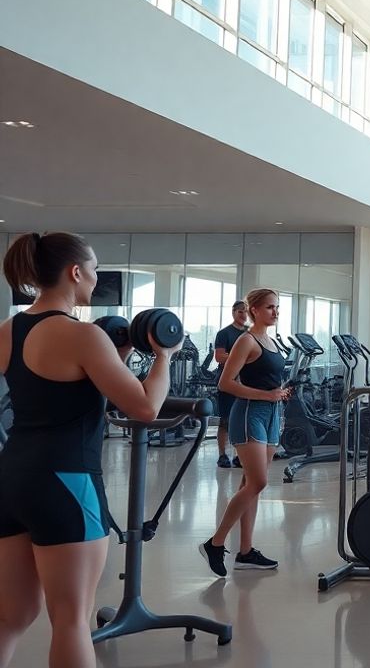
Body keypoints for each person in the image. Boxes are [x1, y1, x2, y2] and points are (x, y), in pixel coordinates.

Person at [0, 232, 179, 668]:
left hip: (12, 479)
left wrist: (115, 356)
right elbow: (145, 407)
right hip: (66, 482)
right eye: (95, 269)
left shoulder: (8, 330)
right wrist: (165, 357)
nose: (98, 278)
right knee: (72, 621)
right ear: (76, 272)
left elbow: (57, 388)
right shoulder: (81, 335)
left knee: (11, 616)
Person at [201, 288, 290, 576]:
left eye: (277, 307)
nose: (275, 312)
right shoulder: (246, 340)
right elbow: (225, 383)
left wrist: (278, 394)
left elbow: (268, 378)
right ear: (254, 310)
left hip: (271, 413)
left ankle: (246, 551)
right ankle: (215, 543)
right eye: (270, 307)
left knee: (250, 483)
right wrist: (266, 395)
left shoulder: (270, 340)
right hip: (250, 412)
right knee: (258, 482)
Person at [213, 301, 249, 469]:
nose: (243, 315)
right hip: (228, 381)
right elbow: (219, 357)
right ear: (233, 312)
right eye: (240, 312)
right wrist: (241, 357)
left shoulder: (250, 333)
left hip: (246, 382)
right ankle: (222, 455)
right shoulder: (224, 333)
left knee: (242, 421)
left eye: (246, 312)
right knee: (226, 420)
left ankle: (238, 456)